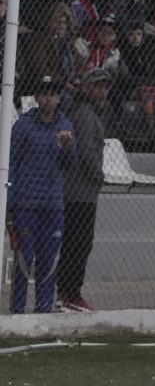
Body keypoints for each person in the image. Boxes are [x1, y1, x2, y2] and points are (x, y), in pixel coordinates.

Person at [8, 76, 76, 314]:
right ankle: (17, 310)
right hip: (27, 203)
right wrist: (10, 203)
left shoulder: (65, 126)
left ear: (58, 98)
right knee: (25, 260)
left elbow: (71, 165)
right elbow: (11, 164)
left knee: (49, 260)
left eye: (53, 94)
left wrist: (68, 147)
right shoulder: (23, 126)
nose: (49, 98)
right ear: (36, 97)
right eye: (44, 93)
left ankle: (44, 309)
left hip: (53, 204)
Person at [59, 68, 110, 312]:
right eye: (97, 86)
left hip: (77, 190)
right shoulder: (85, 114)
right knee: (79, 243)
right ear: (86, 88)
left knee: (74, 243)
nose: (102, 91)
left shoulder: (83, 111)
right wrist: (98, 176)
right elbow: (87, 151)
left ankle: (66, 292)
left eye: (104, 87)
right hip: (81, 192)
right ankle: (70, 294)